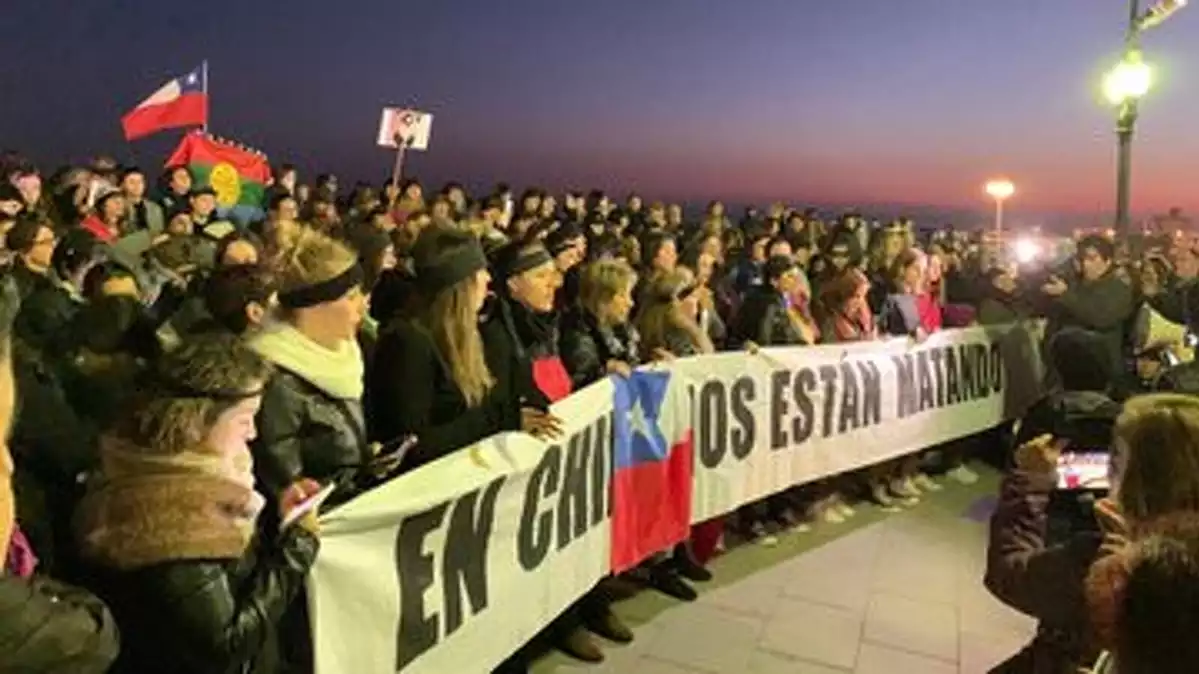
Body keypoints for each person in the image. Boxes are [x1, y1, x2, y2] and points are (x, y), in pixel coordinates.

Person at [74, 334, 321, 674]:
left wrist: (280, 522)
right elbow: (225, 644)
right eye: (244, 418)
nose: (252, 433)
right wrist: (297, 549)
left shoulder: (191, 473)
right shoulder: (166, 517)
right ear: (197, 419)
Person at [985, 393, 1199, 673]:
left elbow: (1010, 573)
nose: (1108, 471)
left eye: (1117, 460)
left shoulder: (1115, 563)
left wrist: (1030, 481)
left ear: (1144, 481)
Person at [368, 226, 523, 470]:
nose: (488, 279)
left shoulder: (470, 334)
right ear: (461, 284)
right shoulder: (408, 342)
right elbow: (410, 445)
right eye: (481, 272)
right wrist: (498, 419)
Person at [250, 228, 374, 508]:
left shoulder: (347, 353)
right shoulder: (278, 383)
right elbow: (288, 490)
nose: (362, 305)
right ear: (315, 306)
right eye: (351, 296)